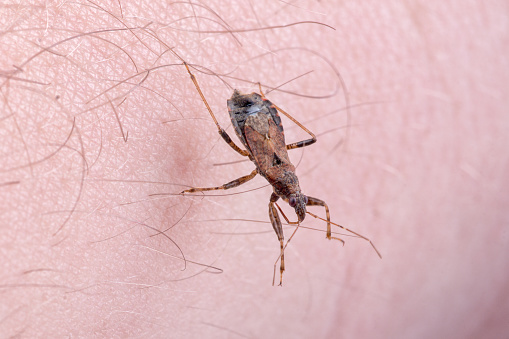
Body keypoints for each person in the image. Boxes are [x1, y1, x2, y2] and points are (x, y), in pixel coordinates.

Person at [1, 1, 508, 337]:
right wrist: (209, 183)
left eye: (295, 205)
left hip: (265, 125)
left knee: (281, 154)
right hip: (256, 123)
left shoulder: (289, 191)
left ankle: (254, 116)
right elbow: (249, 181)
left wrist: (300, 223)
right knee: (234, 153)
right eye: (296, 205)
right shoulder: (272, 183)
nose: (295, 205)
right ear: (290, 195)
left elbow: (299, 195)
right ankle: (205, 94)